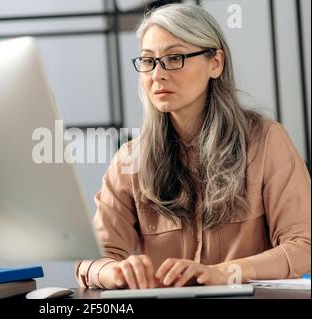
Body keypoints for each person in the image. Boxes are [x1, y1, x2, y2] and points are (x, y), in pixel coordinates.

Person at [75, 3, 311, 290]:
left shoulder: (266, 140)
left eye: (175, 58)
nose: (157, 75)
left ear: (216, 63)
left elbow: (304, 247)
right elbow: (91, 260)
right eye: (148, 61)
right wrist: (114, 271)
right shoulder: (130, 160)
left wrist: (226, 273)